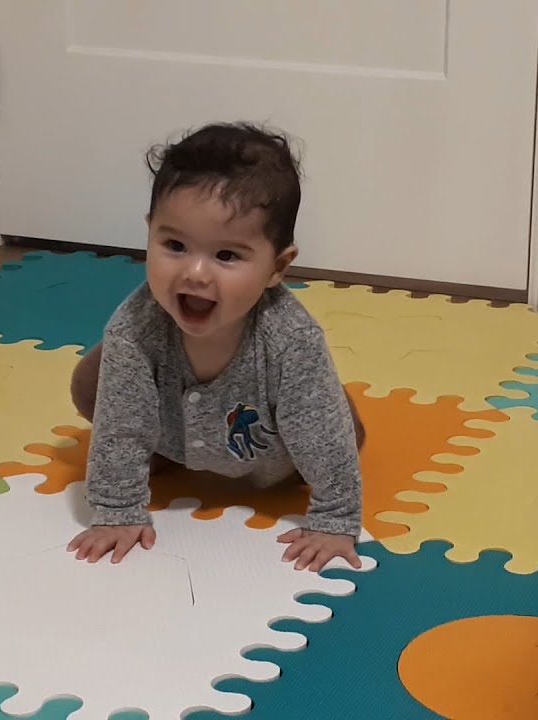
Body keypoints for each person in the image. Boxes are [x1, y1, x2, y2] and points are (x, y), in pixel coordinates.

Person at [66, 122, 365, 572]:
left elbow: (323, 442)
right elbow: (122, 426)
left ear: (277, 267)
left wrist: (336, 518)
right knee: (96, 376)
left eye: (227, 256)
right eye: (175, 245)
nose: (196, 272)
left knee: (331, 425)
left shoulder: (289, 339)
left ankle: (332, 411)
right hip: (176, 437)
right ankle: (167, 459)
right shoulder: (135, 328)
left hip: (274, 459)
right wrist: (117, 509)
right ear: (149, 234)